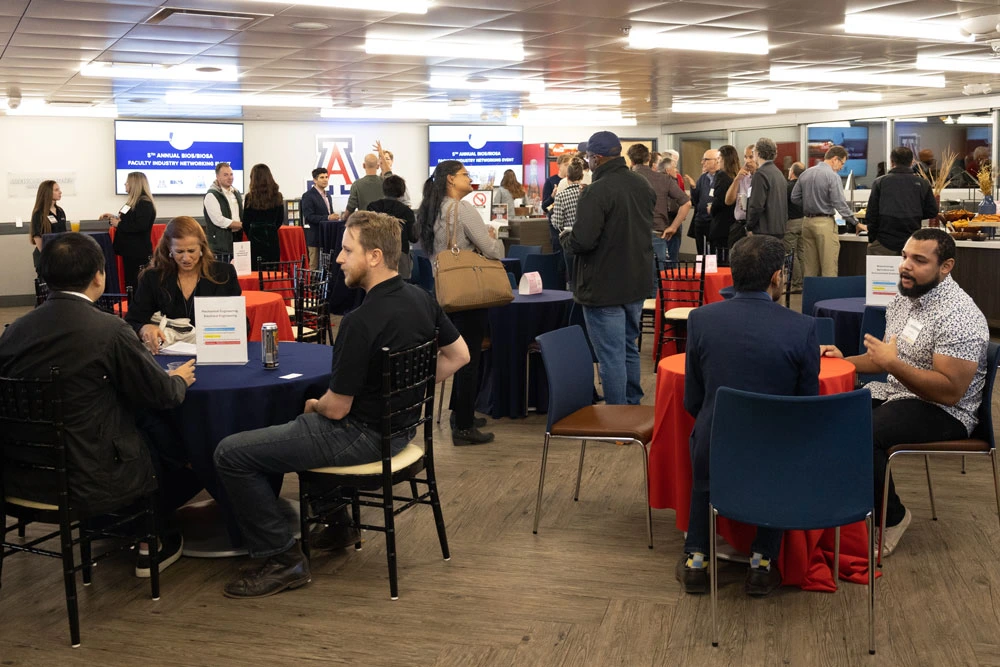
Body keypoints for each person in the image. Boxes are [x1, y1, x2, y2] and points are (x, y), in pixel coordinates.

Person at [213, 211, 471, 598]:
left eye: (347, 250)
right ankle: (338, 524)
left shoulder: (359, 321)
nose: (337, 259)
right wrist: (404, 386)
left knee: (230, 454)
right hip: (400, 430)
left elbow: (336, 410)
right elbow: (459, 356)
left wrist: (315, 405)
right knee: (297, 419)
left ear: (375, 256)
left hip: (359, 435)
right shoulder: (422, 299)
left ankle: (285, 558)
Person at [0, 233, 198, 576]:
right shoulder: (109, 330)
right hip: (91, 474)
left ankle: (116, 525)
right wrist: (179, 378)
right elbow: (163, 395)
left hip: (20, 472)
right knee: (180, 446)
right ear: (99, 276)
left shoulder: (14, 331)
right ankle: (152, 535)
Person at [820, 228, 989, 558]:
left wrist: (891, 365)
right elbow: (882, 358)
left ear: (946, 266)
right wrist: (846, 360)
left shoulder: (960, 316)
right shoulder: (904, 299)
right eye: (905, 257)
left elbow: (950, 392)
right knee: (832, 413)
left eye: (919, 260)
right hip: (898, 392)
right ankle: (847, 505)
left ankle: (893, 517)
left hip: (945, 411)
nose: (905, 266)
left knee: (863, 431)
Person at [677, 234, 819, 598]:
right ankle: (762, 563)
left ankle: (696, 560)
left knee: (703, 451)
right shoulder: (801, 327)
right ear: (777, 277)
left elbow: (693, 397)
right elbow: (807, 403)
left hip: (715, 441)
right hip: (774, 448)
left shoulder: (700, 319)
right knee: (784, 455)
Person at [563, 131, 655, 406]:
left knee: (610, 355)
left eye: (588, 157)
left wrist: (565, 237)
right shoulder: (642, 185)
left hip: (603, 286)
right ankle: (632, 403)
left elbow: (584, 240)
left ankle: (617, 415)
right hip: (636, 282)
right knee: (628, 348)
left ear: (597, 158)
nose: (587, 162)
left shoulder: (596, 191)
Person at [418, 161, 505, 445]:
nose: (471, 178)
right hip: (470, 295)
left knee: (457, 353)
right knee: (470, 358)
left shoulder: (432, 210)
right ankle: (464, 427)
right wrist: (494, 238)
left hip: (445, 292)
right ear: (451, 180)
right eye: (466, 174)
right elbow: (492, 251)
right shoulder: (463, 209)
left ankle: (459, 412)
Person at [126, 216, 241, 355]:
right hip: (166, 357)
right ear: (169, 249)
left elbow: (240, 321)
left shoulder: (224, 274)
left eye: (191, 251)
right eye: (179, 252)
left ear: (202, 247)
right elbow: (132, 321)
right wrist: (144, 328)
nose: (186, 258)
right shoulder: (153, 277)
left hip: (214, 352)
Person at [791, 146, 858, 278]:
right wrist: (855, 222)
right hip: (824, 224)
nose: (841, 168)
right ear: (835, 159)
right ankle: (828, 298)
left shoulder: (805, 173)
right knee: (829, 268)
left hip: (807, 223)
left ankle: (810, 298)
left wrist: (810, 204)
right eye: (842, 163)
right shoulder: (833, 176)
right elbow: (839, 203)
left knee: (810, 269)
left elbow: (794, 198)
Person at [864, 146, 938, 257]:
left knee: (881, 274)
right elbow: (932, 211)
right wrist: (913, 213)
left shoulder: (880, 182)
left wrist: (872, 239)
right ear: (912, 162)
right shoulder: (923, 183)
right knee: (910, 274)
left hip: (883, 243)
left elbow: (871, 214)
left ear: (892, 161)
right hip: (912, 243)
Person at [628, 143, 691, 264]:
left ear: (631, 161)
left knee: (632, 279)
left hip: (630, 235)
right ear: (649, 159)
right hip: (657, 233)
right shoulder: (663, 179)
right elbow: (686, 203)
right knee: (658, 278)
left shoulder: (624, 180)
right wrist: (673, 227)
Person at [102, 171, 156, 290]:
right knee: (130, 282)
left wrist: (119, 224)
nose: (125, 184)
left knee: (137, 283)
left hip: (138, 252)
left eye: (127, 182)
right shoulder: (133, 203)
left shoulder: (144, 203)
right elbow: (130, 221)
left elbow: (140, 226)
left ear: (134, 184)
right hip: (129, 251)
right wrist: (114, 217)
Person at [366, 174, 416, 279]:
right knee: (402, 288)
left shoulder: (372, 207)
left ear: (384, 189)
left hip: (377, 254)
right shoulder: (407, 212)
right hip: (400, 256)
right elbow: (413, 238)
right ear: (402, 191)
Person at [241, 163, 285, 270]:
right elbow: (280, 219)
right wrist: (271, 228)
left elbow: (245, 222)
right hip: (272, 237)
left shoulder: (249, 197)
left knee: (257, 270)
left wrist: (252, 233)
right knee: (272, 270)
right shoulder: (278, 196)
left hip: (255, 238)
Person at [551, 157, 586, 290]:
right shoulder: (588, 193)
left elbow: (557, 223)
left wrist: (553, 218)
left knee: (572, 279)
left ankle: (572, 307)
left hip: (569, 240)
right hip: (587, 239)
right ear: (582, 176)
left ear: (567, 176)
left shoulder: (561, 196)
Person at [745, 137, 788, 239]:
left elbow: (756, 205)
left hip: (763, 231)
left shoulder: (760, 174)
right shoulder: (778, 173)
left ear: (758, 153)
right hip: (779, 229)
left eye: (753, 151)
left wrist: (749, 226)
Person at [203, 162, 244, 257]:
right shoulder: (211, 195)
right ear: (217, 177)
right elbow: (218, 220)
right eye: (225, 175)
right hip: (220, 244)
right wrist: (241, 224)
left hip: (237, 239)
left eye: (231, 174)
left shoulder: (236, 193)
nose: (230, 178)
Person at [301, 167, 338, 271]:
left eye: (326, 177)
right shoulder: (308, 196)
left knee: (327, 266)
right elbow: (309, 216)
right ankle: (311, 287)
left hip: (327, 237)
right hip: (315, 237)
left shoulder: (328, 196)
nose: (325, 179)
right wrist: (328, 217)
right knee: (314, 266)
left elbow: (329, 214)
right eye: (322, 177)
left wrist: (333, 216)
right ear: (315, 180)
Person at [28, 179, 66, 276]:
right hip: (46, 257)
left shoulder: (60, 211)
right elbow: (37, 238)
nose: (60, 192)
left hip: (60, 256)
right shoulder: (39, 214)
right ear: (48, 193)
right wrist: (49, 257)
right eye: (56, 190)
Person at [709, 145, 740, 257]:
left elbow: (719, 201)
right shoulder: (736, 176)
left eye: (719, 158)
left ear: (725, 159)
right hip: (734, 225)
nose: (718, 161)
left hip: (721, 225)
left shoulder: (722, 176)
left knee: (720, 261)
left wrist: (711, 209)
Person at [687, 150, 719, 255]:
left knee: (714, 253)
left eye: (706, 160)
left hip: (714, 222)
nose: (702, 162)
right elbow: (696, 200)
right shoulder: (703, 177)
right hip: (700, 221)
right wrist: (693, 187)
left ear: (716, 161)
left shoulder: (722, 178)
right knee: (701, 253)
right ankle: (701, 270)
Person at [725, 145, 757, 244]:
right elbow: (728, 201)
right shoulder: (743, 177)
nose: (747, 161)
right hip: (739, 225)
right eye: (745, 157)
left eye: (751, 157)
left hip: (754, 227)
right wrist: (736, 180)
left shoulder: (762, 179)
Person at [785, 162, 806, 293]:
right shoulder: (805, 187)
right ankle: (804, 282)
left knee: (791, 254)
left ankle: (797, 284)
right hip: (804, 222)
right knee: (802, 253)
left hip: (791, 223)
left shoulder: (787, 187)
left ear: (792, 172)